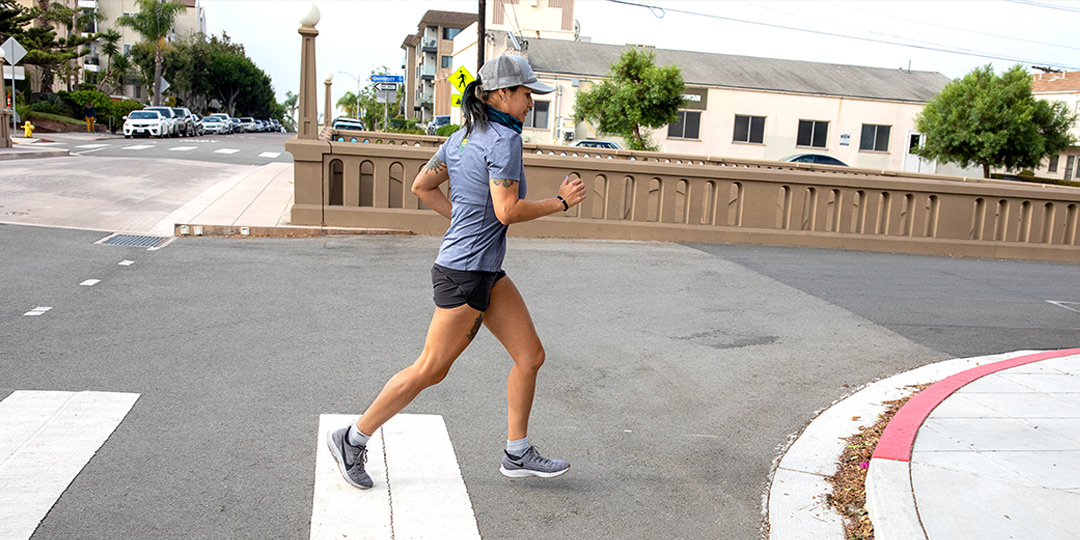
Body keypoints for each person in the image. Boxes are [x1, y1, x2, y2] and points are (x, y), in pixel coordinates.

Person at [327, 55, 587, 489]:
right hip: (466, 272)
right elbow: (507, 211)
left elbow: (422, 187)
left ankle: (517, 452)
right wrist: (559, 202)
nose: (530, 103)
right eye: (526, 94)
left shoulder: (463, 136)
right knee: (430, 368)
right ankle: (352, 439)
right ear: (502, 94)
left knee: (530, 355)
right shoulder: (502, 139)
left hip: (481, 268)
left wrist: (461, 219)